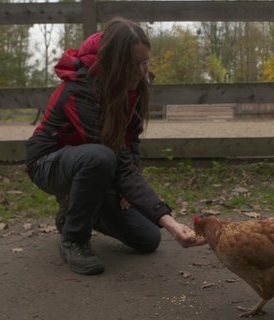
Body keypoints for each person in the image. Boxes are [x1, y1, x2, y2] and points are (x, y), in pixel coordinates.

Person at [25, 17, 205, 275]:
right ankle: (74, 239)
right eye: (135, 64)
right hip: (49, 163)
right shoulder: (80, 89)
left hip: (98, 164)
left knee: (147, 238)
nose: (143, 72)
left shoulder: (135, 85)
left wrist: (130, 192)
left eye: (146, 62)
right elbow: (113, 157)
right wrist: (170, 222)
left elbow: (129, 140)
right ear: (115, 63)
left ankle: (71, 215)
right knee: (100, 158)